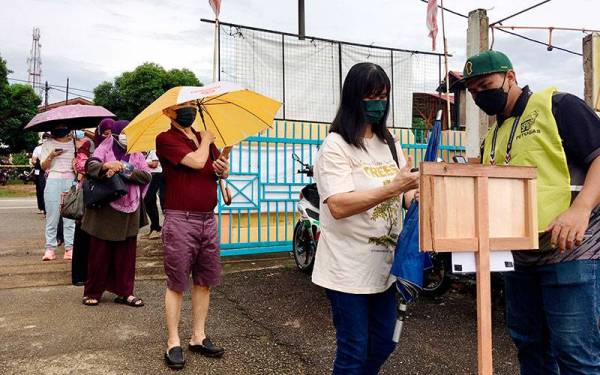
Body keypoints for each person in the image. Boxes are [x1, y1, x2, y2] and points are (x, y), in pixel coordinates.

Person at [461, 50, 600, 374]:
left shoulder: (558, 107)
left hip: (570, 252)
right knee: (530, 345)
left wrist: (580, 209)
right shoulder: (492, 136)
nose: (481, 95)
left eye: (486, 85)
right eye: (473, 92)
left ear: (510, 77)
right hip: (520, 258)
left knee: (575, 353)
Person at [312, 62, 419, 375]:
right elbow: (339, 206)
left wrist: (416, 196)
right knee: (353, 350)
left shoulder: (391, 145)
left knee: (385, 342)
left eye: (383, 96)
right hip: (347, 268)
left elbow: (404, 196)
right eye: (371, 96)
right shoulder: (335, 145)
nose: (378, 103)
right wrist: (395, 187)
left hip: (386, 267)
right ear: (353, 98)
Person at [156, 102, 229, 369]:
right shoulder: (165, 139)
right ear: (168, 113)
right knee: (177, 282)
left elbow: (216, 167)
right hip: (180, 218)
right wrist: (207, 141)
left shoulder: (201, 139)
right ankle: (173, 341)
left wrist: (222, 167)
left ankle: (198, 335)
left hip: (207, 219)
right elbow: (198, 162)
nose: (188, 112)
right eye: (181, 108)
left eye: (190, 107)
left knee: (204, 280)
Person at [80, 120, 151, 306]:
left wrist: (124, 168)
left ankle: (125, 292)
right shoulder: (103, 149)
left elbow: (146, 176)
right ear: (116, 134)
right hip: (106, 209)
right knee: (99, 254)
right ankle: (93, 292)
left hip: (130, 210)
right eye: (123, 133)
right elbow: (91, 167)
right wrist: (106, 166)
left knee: (126, 255)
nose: (127, 137)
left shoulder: (136, 153)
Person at [40, 124, 76, 261]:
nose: (60, 129)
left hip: (71, 180)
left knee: (70, 217)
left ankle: (70, 248)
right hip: (53, 179)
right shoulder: (47, 143)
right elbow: (44, 166)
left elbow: (81, 162)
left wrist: (77, 163)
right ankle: (50, 248)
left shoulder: (75, 144)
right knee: (52, 215)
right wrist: (51, 156)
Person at [71, 129, 95, 286]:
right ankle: (79, 275)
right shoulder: (85, 148)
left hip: (101, 198)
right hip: (86, 196)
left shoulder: (106, 147)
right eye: (104, 132)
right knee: (82, 235)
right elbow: (81, 167)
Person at [144, 149, 165, 239]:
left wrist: (142, 162)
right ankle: (154, 228)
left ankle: (157, 228)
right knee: (149, 202)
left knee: (149, 200)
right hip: (149, 176)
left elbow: (154, 164)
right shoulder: (146, 152)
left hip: (156, 175)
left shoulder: (153, 150)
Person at [31, 133, 50, 214]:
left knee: (49, 188)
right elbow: (33, 159)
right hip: (40, 171)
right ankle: (42, 207)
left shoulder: (51, 148)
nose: (46, 139)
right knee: (40, 189)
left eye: (47, 138)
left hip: (50, 170)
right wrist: (35, 162)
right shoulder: (38, 148)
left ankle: (48, 207)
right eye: (44, 138)